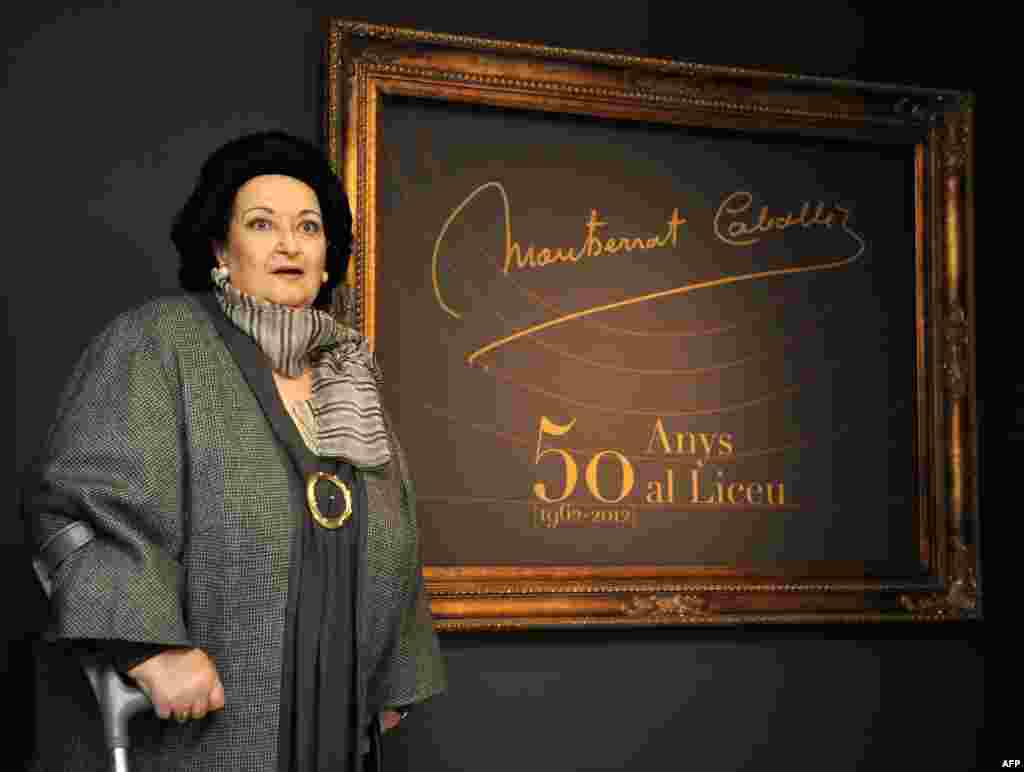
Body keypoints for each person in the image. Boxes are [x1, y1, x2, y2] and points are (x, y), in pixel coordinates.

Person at [23, 130, 446, 771]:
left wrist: (393, 678)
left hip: (335, 728)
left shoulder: (351, 373)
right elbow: (75, 510)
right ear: (222, 248)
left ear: (327, 257)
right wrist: (151, 650)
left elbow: (395, 528)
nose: (288, 244)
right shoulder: (157, 342)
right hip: (202, 734)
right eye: (261, 224)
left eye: (309, 227)